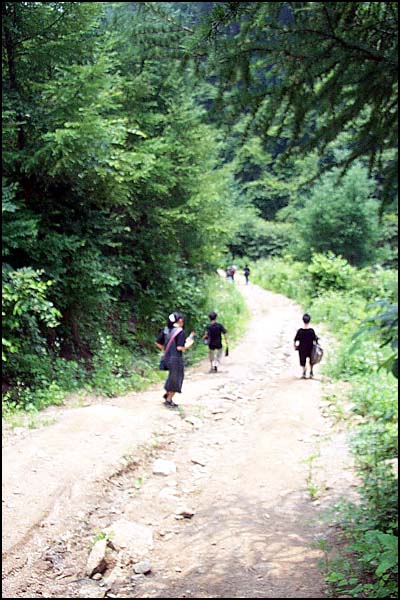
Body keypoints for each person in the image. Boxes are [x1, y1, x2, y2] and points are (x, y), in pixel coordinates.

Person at [156, 312, 194, 408]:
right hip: (176, 359)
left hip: (167, 358)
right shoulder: (180, 331)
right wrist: (189, 345)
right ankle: (169, 400)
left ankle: (168, 394)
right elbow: (180, 347)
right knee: (176, 379)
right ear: (180, 320)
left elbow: (158, 343)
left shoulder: (166, 330)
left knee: (171, 377)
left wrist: (166, 349)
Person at [294, 313, 319, 379]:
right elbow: (315, 339)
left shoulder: (300, 331)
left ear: (303, 320)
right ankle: (311, 371)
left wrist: (295, 346)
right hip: (310, 348)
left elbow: (296, 339)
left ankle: (304, 372)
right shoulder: (311, 331)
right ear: (309, 320)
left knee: (302, 360)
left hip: (302, 348)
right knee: (312, 360)